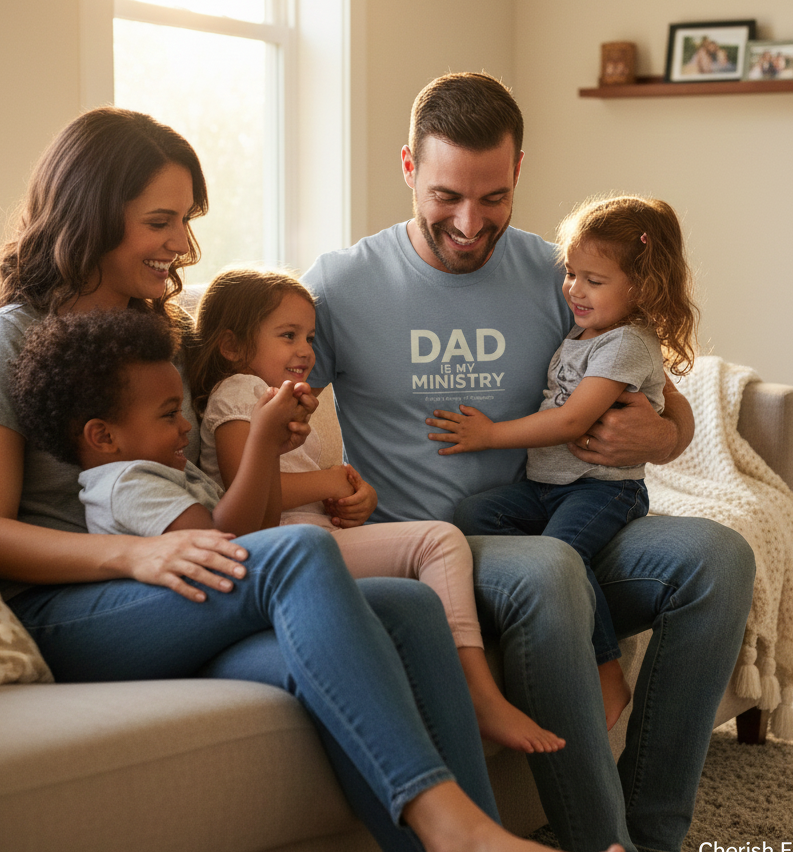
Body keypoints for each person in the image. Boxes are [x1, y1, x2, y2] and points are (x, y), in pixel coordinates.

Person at [0, 106, 622, 852]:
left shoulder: (156, 335)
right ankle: (462, 840)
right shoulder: (8, 339)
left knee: (407, 608)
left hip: (185, 594)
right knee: (299, 558)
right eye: (158, 222)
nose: (179, 246)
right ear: (88, 215)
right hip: (74, 609)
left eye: (185, 221)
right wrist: (133, 558)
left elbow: (224, 493)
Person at [303, 73, 755, 852]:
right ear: (407, 167)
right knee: (550, 571)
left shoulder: (557, 273)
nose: (470, 224)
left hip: (558, 514)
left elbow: (651, 371)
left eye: (494, 197)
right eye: (446, 196)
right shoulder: (344, 283)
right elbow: (262, 385)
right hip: (437, 550)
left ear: (520, 172)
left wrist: (664, 434)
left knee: (718, 558)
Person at [185, 266, 563, 753]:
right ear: (233, 347)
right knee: (438, 541)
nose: (306, 350)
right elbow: (249, 490)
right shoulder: (239, 391)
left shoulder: (284, 400)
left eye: (310, 336)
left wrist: (352, 499)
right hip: (281, 551)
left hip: (312, 538)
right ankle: (477, 691)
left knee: (423, 570)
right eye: (288, 335)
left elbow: (305, 489)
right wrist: (329, 481)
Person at [426, 194, 698, 733]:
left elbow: (574, 420)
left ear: (640, 289)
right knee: (476, 515)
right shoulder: (585, 330)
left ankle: (605, 670)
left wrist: (489, 435)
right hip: (549, 485)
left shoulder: (627, 343)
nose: (574, 289)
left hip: (601, 490)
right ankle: (512, 612)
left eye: (593, 280)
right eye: (571, 274)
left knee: (561, 556)